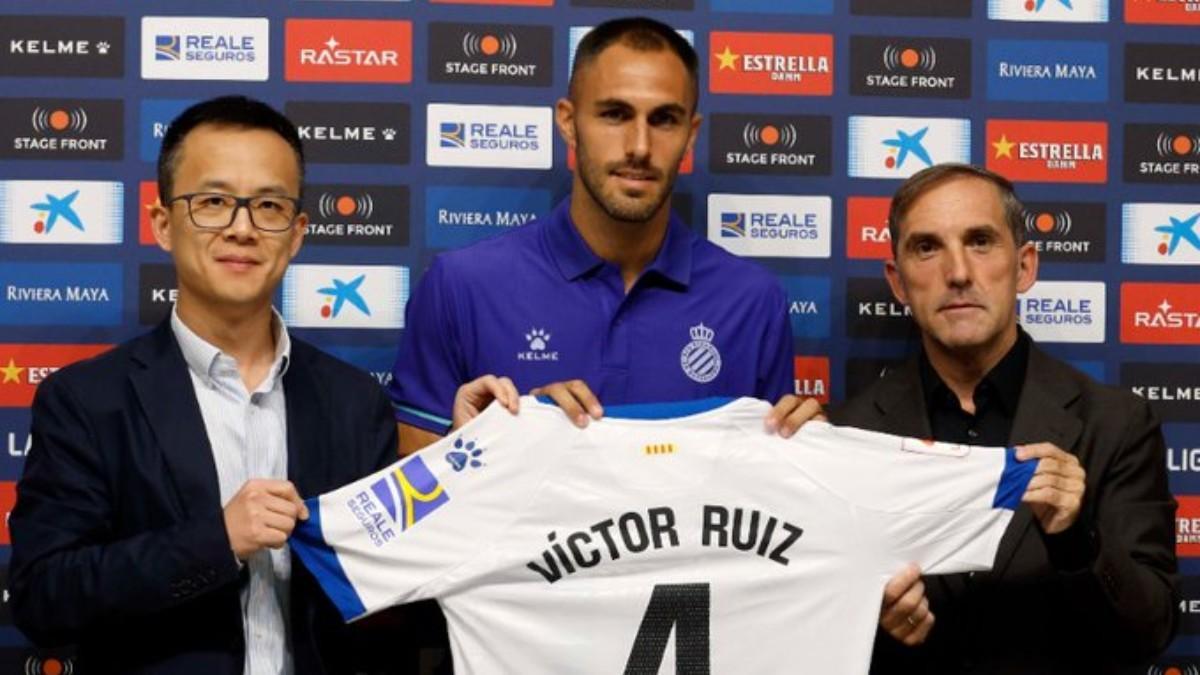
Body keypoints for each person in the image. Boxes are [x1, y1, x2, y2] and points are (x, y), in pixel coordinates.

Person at [7, 96, 515, 675]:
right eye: (214, 202)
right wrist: (215, 541)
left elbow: (402, 597)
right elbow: (43, 598)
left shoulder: (354, 402)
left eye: (269, 206)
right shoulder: (88, 400)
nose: (243, 228)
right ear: (163, 224)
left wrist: (463, 467)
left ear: (297, 233)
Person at [389, 16, 817, 456]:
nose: (639, 146)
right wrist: (510, 439)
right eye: (614, 114)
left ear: (691, 135)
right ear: (569, 122)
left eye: (665, 120)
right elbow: (410, 484)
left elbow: (768, 488)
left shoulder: (752, 301)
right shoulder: (460, 285)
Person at [829, 163, 1177, 673]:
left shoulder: (1116, 424)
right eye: (927, 247)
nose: (958, 272)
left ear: (1024, 266)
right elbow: (808, 630)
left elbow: (1151, 631)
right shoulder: (844, 437)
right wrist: (864, 618)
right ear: (898, 282)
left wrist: (1077, 540)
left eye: (981, 241)